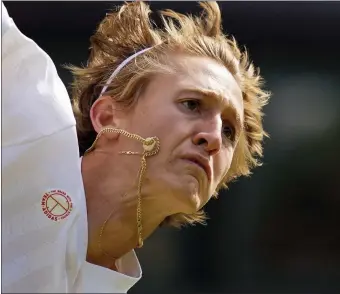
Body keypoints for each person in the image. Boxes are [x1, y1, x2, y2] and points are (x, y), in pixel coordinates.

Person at [1, 1, 270, 292]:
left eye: (229, 131)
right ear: (107, 116)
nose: (215, 138)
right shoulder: (33, 116)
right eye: (191, 104)